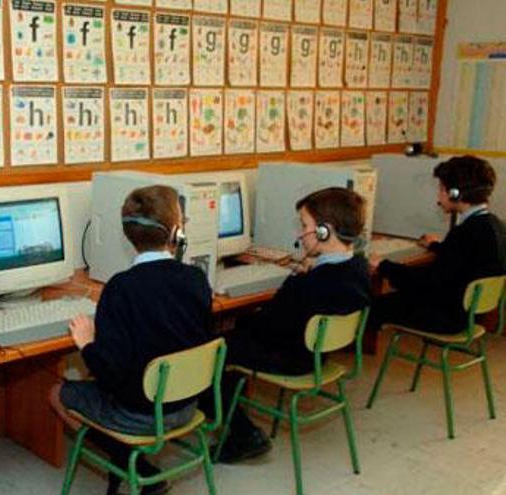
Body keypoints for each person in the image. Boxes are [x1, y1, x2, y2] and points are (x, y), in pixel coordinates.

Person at [49, 185, 215, 495]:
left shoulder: (121, 288)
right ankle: (134, 462)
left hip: (141, 416)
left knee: (58, 392)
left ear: (128, 234)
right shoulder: (195, 278)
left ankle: (130, 464)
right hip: (188, 406)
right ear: (176, 233)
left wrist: (87, 343)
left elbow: (110, 373)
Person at [201, 187, 372, 462]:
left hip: (291, 358)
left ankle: (244, 434)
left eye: (305, 226)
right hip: (316, 354)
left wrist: (292, 283)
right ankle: (233, 409)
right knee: (231, 339)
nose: (299, 234)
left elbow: (266, 324)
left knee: (211, 352)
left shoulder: (309, 285)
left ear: (324, 232)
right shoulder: (359, 268)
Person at [370, 155, 506, 334]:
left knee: (373, 304)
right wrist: (437, 246)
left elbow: (429, 282)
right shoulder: (495, 225)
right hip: (470, 312)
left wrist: (384, 266)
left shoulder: (465, 233)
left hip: (448, 317)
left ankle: (347, 351)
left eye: (441, 189)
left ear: (454, 193)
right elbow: (462, 260)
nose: (439, 196)